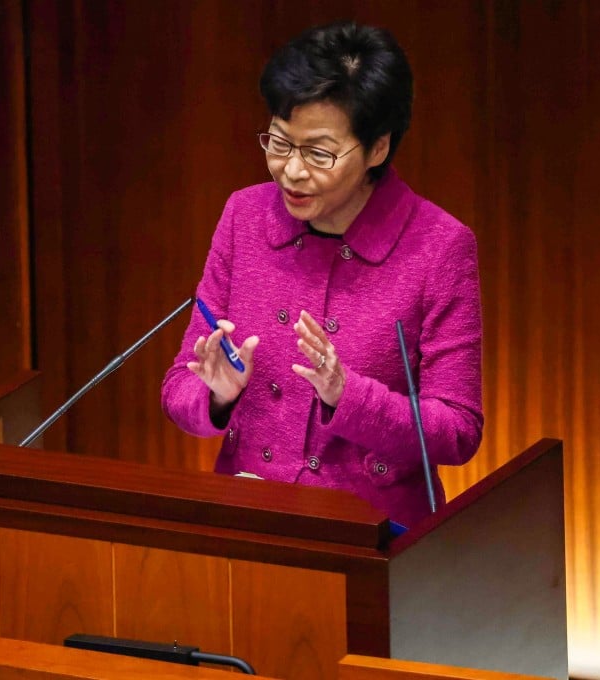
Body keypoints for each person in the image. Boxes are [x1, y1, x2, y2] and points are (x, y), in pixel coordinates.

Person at [161, 21, 482, 528]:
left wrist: (346, 393)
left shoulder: (439, 247)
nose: (290, 170)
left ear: (377, 148)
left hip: (370, 541)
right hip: (249, 528)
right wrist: (218, 395)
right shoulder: (244, 216)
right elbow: (179, 390)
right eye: (280, 143)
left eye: (318, 153)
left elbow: (458, 431)